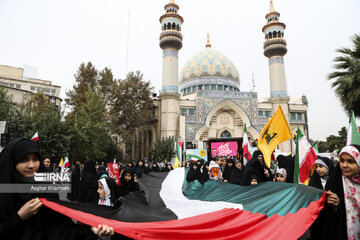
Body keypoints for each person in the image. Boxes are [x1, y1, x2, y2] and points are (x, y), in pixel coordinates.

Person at [0, 138, 114, 239]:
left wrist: (92, 231)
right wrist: (19, 217)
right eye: (24, 160)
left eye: (35, 159)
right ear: (13, 161)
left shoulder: (45, 191)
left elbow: (63, 229)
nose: (31, 165)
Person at [314, 145, 360, 240]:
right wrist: (335, 206)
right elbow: (325, 217)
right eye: (342, 160)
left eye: (350, 161)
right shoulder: (334, 182)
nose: (344, 165)